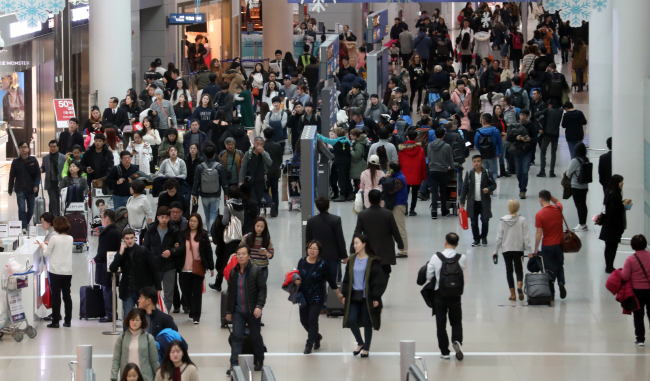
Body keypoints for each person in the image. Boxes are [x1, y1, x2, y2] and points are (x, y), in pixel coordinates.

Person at [339, 234, 387, 357]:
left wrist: (376, 297)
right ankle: (360, 342)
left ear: (364, 244)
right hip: (354, 296)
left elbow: (378, 281)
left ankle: (366, 348)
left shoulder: (373, 261)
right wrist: (344, 294)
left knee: (367, 322)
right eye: (354, 243)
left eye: (357, 243)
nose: (355, 246)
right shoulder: (352, 260)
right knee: (351, 319)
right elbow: (346, 279)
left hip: (367, 297)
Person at [225, 244, 267, 375]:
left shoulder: (256, 270)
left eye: (243, 254)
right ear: (236, 256)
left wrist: (259, 306)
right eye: (239, 254)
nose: (241, 256)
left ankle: (259, 360)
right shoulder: (233, 272)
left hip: (253, 310)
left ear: (249, 256)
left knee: (255, 336)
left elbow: (262, 290)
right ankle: (234, 365)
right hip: (238, 311)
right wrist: (228, 311)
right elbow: (231, 293)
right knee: (237, 337)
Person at [425, 232, 466, 360]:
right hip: (455, 294)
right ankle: (457, 340)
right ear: (457, 244)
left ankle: (444, 352)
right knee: (456, 321)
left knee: (441, 325)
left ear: (445, 242)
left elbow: (428, 276)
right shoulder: (462, 257)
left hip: (439, 294)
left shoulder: (436, 257)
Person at [295, 240, 341, 353]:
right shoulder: (301, 261)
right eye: (310, 248)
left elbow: (331, 280)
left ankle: (309, 344)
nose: (312, 250)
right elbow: (297, 274)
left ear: (319, 251)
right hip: (303, 296)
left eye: (315, 249)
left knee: (312, 320)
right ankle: (317, 337)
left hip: (317, 297)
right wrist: (296, 281)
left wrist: (338, 293)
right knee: (303, 320)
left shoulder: (323, 264)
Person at [351, 190, 404, 278]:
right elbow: (395, 231)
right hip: (385, 252)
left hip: (369, 251)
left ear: (368, 200)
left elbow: (357, 232)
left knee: (369, 274)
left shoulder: (362, 215)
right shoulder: (388, 214)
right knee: (385, 274)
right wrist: (400, 244)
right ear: (380, 200)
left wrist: (353, 249)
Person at [110, 229, 161, 316]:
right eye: (127, 238)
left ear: (135, 238)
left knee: (144, 317)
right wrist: (120, 253)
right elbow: (113, 268)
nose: (130, 241)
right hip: (127, 290)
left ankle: (144, 330)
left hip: (142, 290)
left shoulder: (143, 251)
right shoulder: (122, 253)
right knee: (128, 317)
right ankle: (127, 330)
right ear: (123, 240)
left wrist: (158, 287)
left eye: (131, 238)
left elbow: (154, 269)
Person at [143, 207, 185, 312]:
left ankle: (165, 315)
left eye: (166, 217)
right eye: (162, 217)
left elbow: (182, 247)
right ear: (158, 217)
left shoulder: (174, 230)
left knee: (168, 293)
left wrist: (171, 251)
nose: (164, 220)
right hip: (153, 266)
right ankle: (151, 314)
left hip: (169, 266)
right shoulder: (150, 230)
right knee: (151, 292)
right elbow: (145, 248)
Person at [37, 216, 73, 328]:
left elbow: (47, 253)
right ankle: (68, 321)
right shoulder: (70, 238)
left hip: (55, 271)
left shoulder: (54, 239)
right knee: (67, 296)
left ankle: (56, 321)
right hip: (67, 271)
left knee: (56, 296)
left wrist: (43, 245)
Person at [493, 200, 532, 301]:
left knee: (509, 270)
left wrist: (496, 251)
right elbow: (526, 237)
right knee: (519, 269)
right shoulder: (522, 220)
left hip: (506, 249)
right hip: (518, 248)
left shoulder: (502, 220)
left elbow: (499, 237)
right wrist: (529, 251)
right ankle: (519, 285)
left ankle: (513, 294)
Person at [531, 190, 567, 299]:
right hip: (559, 244)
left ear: (540, 199)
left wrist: (536, 247)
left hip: (547, 245)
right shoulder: (558, 208)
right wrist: (550, 196)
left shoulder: (539, 214)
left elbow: (539, 232)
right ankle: (561, 282)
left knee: (548, 269)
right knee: (559, 265)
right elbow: (557, 201)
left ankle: (551, 294)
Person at [181, 213, 214, 324]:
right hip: (184, 268)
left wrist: (211, 267)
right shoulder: (183, 234)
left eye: (195, 221)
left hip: (198, 268)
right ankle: (191, 308)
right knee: (186, 291)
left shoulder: (203, 235)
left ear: (199, 223)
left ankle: (196, 315)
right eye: (191, 221)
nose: (192, 223)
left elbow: (208, 251)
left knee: (197, 292)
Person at [110, 308, 160, 381]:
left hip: (145, 377)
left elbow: (154, 361)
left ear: (142, 321)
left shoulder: (149, 338)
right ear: (128, 321)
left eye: (137, 320)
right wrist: (113, 377)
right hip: (127, 378)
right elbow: (116, 360)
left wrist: (160, 376)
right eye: (132, 320)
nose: (134, 322)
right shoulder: (121, 338)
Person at [305, 197, 348, 282]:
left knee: (318, 281)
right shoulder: (336, 220)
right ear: (328, 206)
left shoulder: (311, 221)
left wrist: (308, 255)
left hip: (317, 256)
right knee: (335, 281)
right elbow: (340, 239)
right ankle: (334, 295)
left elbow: (308, 240)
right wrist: (344, 256)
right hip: (333, 256)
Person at [91, 209, 121, 322]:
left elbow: (106, 249)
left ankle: (110, 314)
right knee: (108, 289)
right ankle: (110, 312)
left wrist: (97, 258)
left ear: (107, 219)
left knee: (108, 289)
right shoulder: (113, 231)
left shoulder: (111, 232)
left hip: (108, 264)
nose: (101, 220)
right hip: (108, 263)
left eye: (102, 218)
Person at [460, 155, 497, 247]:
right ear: (472, 163)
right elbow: (464, 188)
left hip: (484, 201)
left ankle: (483, 237)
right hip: (472, 202)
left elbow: (494, 185)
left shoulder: (487, 173)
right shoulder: (469, 174)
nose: (476, 163)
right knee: (474, 222)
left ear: (482, 162)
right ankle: (476, 239)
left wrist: (488, 189)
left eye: (478, 161)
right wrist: (462, 201)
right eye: (474, 161)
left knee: (485, 220)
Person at [621, 234, 650, 346]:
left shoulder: (631, 259)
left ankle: (640, 338)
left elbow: (625, 276)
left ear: (632, 246)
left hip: (637, 291)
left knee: (638, 314)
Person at [191, 143, 227, 231]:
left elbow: (196, 182)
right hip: (215, 194)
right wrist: (226, 193)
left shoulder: (200, 167)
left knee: (207, 215)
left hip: (204, 194)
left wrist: (194, 193)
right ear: (214, 155)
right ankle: (211, 233)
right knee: (213, 214)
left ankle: (209, 232)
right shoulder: (219, 166)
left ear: (205, 155)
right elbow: (224, 182)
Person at [8, 141, 41, 230]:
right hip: (20, 188)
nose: (23, 149)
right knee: (22, 209)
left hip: (31, 189)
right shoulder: (15, 162)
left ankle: (25, 223)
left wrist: (36, 185)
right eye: (22, 147)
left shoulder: (33, 160)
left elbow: (38, 174)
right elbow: (12, 176)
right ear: (19, 149)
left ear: (28, 149)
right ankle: (23, 227)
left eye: (25, 147)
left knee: (30, 210)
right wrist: (10, 189)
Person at [379, 162, 409, 258]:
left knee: (400, 228)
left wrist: (387, 178)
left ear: (391, 170)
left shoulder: (399, 180)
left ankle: (403, 250)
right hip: (394, 205)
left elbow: (390, 189)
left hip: (399, 205)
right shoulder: (398, 177)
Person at [600, 175, 628, 274]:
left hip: (608, 224)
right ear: (616, 183)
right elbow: (613, 210)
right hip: (614, 225)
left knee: (608, 246)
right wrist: (623, 205)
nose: (622, 183)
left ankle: (608, 265)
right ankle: (610, 266)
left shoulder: (609, 192)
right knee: (613, 246)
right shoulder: (615, 195)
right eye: (621, 181)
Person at [507, 110, 538, 199]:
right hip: (516, 151)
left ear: (527, 116)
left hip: (527, 151)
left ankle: (523, 190)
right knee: (518, 171)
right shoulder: (515, 125)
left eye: (524, 115)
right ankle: (521, 186)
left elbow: (536, 138)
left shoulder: (531, 126)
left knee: (524, 170)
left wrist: (530, 139)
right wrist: (516, 137)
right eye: (521, 115)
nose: (522, 117)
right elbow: (509, 138)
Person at [316, 127, 352, 202]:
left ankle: (342, 195)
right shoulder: (347, 142)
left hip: (339, 162)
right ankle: (349, 194)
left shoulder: (336, 141)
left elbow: (325, 139)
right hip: (347, 162)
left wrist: (318, 135)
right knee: (346, 178)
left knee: (341, 179)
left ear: (337, 134)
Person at [398, 130, 427, 216]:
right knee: (414, 193)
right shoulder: (420, 150)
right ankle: (412, 210)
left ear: (407, 137)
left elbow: (399, 163)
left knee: (404, 193)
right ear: (416, 137)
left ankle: (405, 209)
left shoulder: (402, 150)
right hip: (416, 174)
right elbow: (423, 164)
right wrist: (423, 177)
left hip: (404, 175)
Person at [427, 128, 454, 219]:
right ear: (444, 136)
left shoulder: (430, 145)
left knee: (434, 191)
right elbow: (451, 160)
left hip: (433, 170)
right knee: (443, 191)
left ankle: (434, 211)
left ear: (435, 135)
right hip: (443, 171)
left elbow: (429, 159)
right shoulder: (447, 146)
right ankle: (444, 210)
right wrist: (451, 167)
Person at [239, 137, 273, 208]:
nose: (259, 146)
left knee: (259, 199)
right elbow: (243, 167)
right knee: (252, 199)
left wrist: (263, 153)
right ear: (254, 144)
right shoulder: (248, 154)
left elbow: (270, 163)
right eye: (257, 144)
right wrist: (240, 181)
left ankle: (257, 215)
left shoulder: (265, 154)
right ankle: (254, 216)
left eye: (261, 144)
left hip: (260, 181)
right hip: (250, 181)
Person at [565, 142, 590, 232]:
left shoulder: (575, 161)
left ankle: (581, 224)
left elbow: (568, 174)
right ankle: (584, 223)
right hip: (585, 186)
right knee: (583, 204)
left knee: (579, 205)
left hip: (576, 186)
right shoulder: (586, 159)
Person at [535, 100, 563, 177]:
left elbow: (536, 114)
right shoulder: (561, 111)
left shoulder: (548, 110)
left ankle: (542, 171)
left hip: (547, 134)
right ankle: (552, 172)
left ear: (550, 105)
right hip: (556, 135)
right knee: (553, 153)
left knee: (543, 152)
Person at [240, 217, 274, 282]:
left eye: (261, 227)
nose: (259, 228)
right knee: (250, 289)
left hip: (262, 268)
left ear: (264, 228)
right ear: (254, 226)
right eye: (257, 226)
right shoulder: (247, 237)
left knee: (261, 289)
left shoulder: (267, 239)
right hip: (249, 268)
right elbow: (239, 250)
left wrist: (266, 253)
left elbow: (271, 254)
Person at [474, 114, 502, 183]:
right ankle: (491, 186)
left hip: (483, 154)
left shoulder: (478, 132)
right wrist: (499, 152)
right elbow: (499, 143)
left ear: (484, 121)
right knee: (494, 172)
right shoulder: (495, 130)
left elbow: (476, 143)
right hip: (493, 153)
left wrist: (481, 150)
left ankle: (485, 185)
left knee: (484, 171)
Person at [41, 140, 66, 215]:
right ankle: (53, 217)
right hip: (50, 182)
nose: (52, 148)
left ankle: (59, 216)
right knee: (53, 200)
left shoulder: (63, 157)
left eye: (54, 146)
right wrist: (41, 169)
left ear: (58, 147)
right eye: (51, 146)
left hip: (61, 182)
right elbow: (43, 167)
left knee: (60, 200)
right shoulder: (45, 158)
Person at [262, 128, 283, 216]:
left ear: (264, 135)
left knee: (264, 190)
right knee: (275, 191)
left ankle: (269, 203)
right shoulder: (277, 146)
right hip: (275, 171)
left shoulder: (262, 146)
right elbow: (280, 160)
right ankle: (275, 211)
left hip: (265, 172)